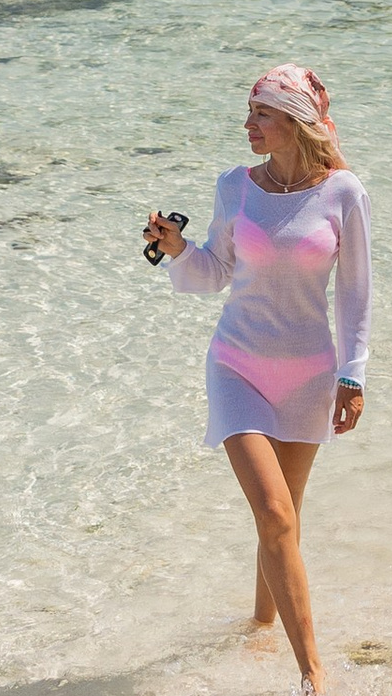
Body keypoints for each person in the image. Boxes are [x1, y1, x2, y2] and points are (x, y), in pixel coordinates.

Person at [146, 63, 371, 696]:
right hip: (237, 364)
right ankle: (313, 674)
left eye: (261, 114)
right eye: (248, 113)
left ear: (296, 121)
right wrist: (178, 250)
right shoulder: (233, 186)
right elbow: (217, 271)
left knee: (282, 523)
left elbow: (357, 294)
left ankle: (259, 626)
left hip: (309, 376)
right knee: (274, 513)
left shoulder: (344, 193)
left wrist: (353, 376)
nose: (248, 125)